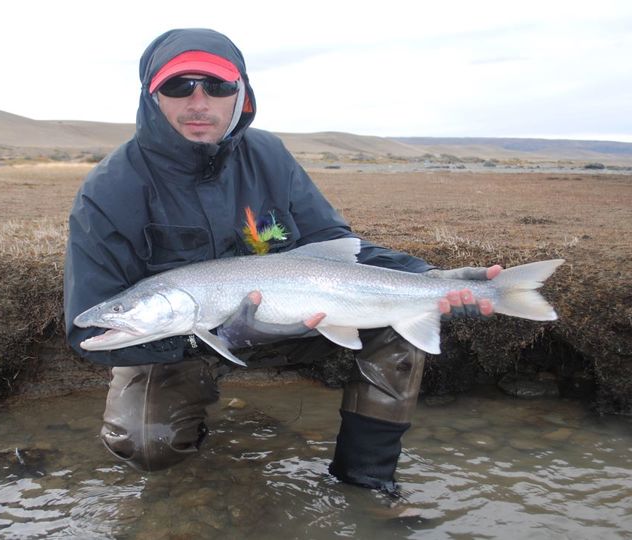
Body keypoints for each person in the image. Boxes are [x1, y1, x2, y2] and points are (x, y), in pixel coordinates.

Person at [64, 28, 500, 494]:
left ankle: (365, 485)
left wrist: (428, 278)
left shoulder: (269, 155)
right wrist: (210, 339)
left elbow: (333, 241)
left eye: (217, 86)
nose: (198, 102)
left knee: (396, 321)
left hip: (296, 322)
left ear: (242, 92)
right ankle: (197, 436)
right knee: (148, 444)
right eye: (178, 86)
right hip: (173, 344)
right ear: (152, 96)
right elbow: (86, 328)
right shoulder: (109, 190)